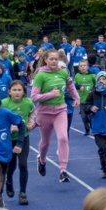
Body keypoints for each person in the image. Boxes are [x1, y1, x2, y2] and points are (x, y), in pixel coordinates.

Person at [32, 50, 79, 183]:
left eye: (55, 59)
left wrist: (76, 97)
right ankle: (41, 160)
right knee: (46, 142)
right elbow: (34, 97)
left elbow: (70, 85)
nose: (53, 61)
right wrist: (51, 94)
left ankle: (63, 170)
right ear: (45, 60)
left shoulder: (63, 72)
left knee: (63, 138)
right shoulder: (40, 75)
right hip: (44, 113)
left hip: (60, 111)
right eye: (51, 59)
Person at [1, 80, 34, 205]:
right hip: (8, 139)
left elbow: (32, 113)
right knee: (11, 165)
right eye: (14, 90)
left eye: (19, 90)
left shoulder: (28, 102)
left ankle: (23, 193)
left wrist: (31, 122)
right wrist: (9, 128)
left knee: (23, 165)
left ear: (24, 92)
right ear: (9, 92)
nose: (17, 92)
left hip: (23, 137)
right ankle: (9, 181)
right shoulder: (4, 104)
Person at [74, 59, 97, 136]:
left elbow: (96, 86)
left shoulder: (92, 75)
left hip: (91, 100)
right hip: (82, 100)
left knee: (90, 116)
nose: (83, 67)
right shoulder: (77, 75)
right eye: (81, 66)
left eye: (84, 65)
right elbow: (74, 85)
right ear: (79, 68)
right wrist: (79, 86)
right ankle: (87, 129)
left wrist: (92, 90)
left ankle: (93, 128)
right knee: (84, 117)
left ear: (87, 67)